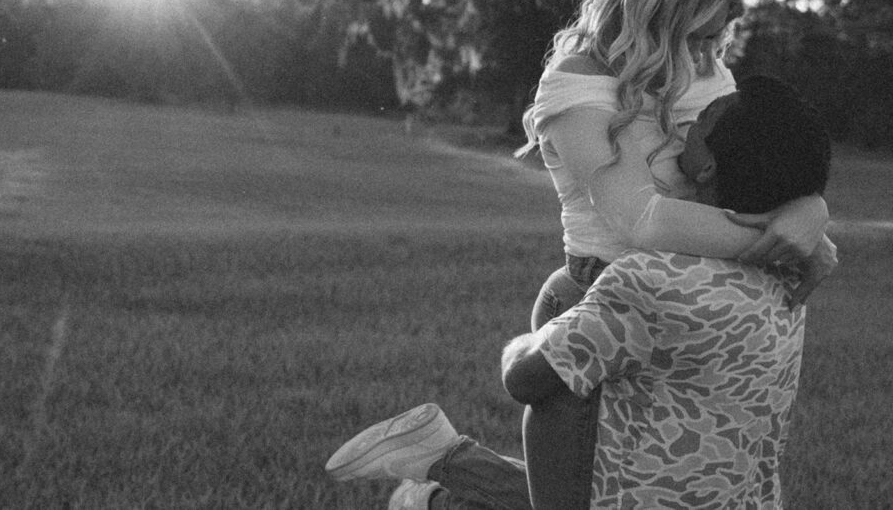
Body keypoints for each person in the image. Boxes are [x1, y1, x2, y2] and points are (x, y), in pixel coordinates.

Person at [326, 75, 834, 509]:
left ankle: (441, 471)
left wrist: (532, 340)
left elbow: (524, 379)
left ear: (707, 168)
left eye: (701, 121)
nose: (685, 128)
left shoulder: (651, 282)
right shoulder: (790, 276)